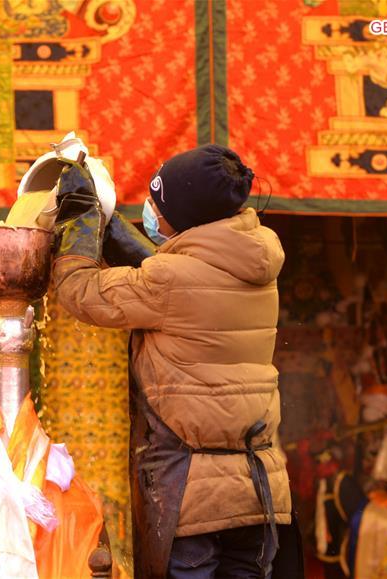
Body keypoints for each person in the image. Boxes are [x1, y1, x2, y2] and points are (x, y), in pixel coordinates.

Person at [51, 145, 299, 578]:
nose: (149, 210)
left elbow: (79, 292)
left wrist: (78, 219)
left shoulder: (169, 281)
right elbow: (187, 285)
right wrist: (122, 240)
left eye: (155, 203)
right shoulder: (257, 265)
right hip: (258, 489)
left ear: (185, 218)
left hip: (193, 495)